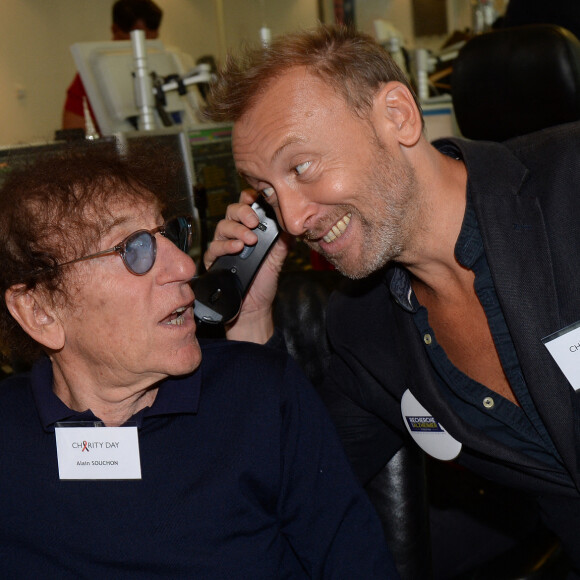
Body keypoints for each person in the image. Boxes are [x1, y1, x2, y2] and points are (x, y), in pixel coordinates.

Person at [203, 24, 580, 575]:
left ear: (398, 116)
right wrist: (252, 319)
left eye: (301, 167)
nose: (291, 218)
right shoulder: (366, 330)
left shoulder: (570, 182)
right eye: (265, 193)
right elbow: (286, 489)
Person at [0, 144, 399, 578]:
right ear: (40, 312)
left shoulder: (260, 394)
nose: (184, 266)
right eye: (133, 249)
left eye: (170, 235)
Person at [62, 0, 163, 132]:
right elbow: (74, 135)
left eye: (152, 41)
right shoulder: (91, 75)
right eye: (138, 40)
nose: (144, 49)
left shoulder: (165, 65)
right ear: (115, 30)